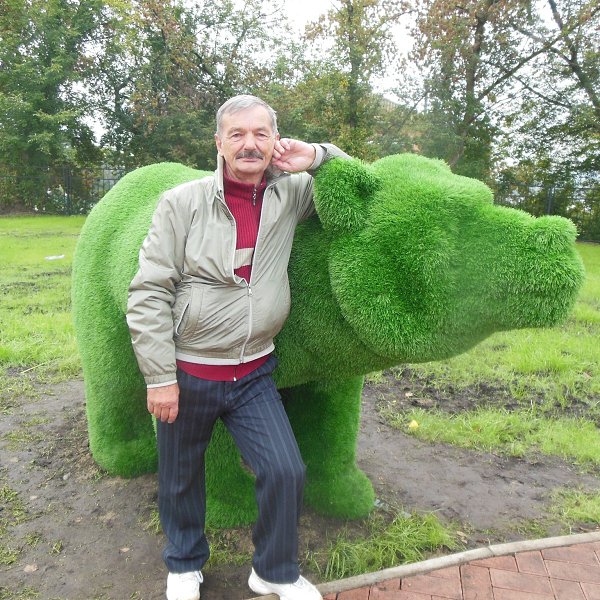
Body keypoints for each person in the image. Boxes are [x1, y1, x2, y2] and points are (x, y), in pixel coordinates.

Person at [126, 94, 349, 600]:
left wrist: (318, 156)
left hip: (253, 372)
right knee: (180, 477)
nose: (250, 144)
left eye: (260, 134)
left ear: (275, 141)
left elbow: (357, 184)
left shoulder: (293, 192)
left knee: (285, 470)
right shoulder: (182, 202)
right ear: (219, 143)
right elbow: (149, 292)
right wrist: (159, 378)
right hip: (190, 371)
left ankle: (273, 571)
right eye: (237, 134)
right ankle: (184, 564)